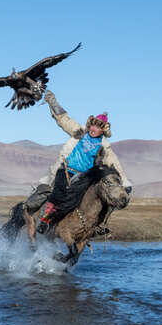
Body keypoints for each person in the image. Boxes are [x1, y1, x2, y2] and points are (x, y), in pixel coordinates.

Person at [24, 90, 131, 234]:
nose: (94, 129)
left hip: (85, 177)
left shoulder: (104, 147)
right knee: (60, 193)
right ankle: (45, 220)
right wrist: (53, 102)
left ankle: (97, 225)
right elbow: (64, 119)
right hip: (66, 170)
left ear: (103, 130)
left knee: (102, 197)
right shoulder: (79, 131)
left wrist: (125, 183)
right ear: (90, 125)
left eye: (98, 127)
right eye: (93, 125)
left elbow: (115, 166)